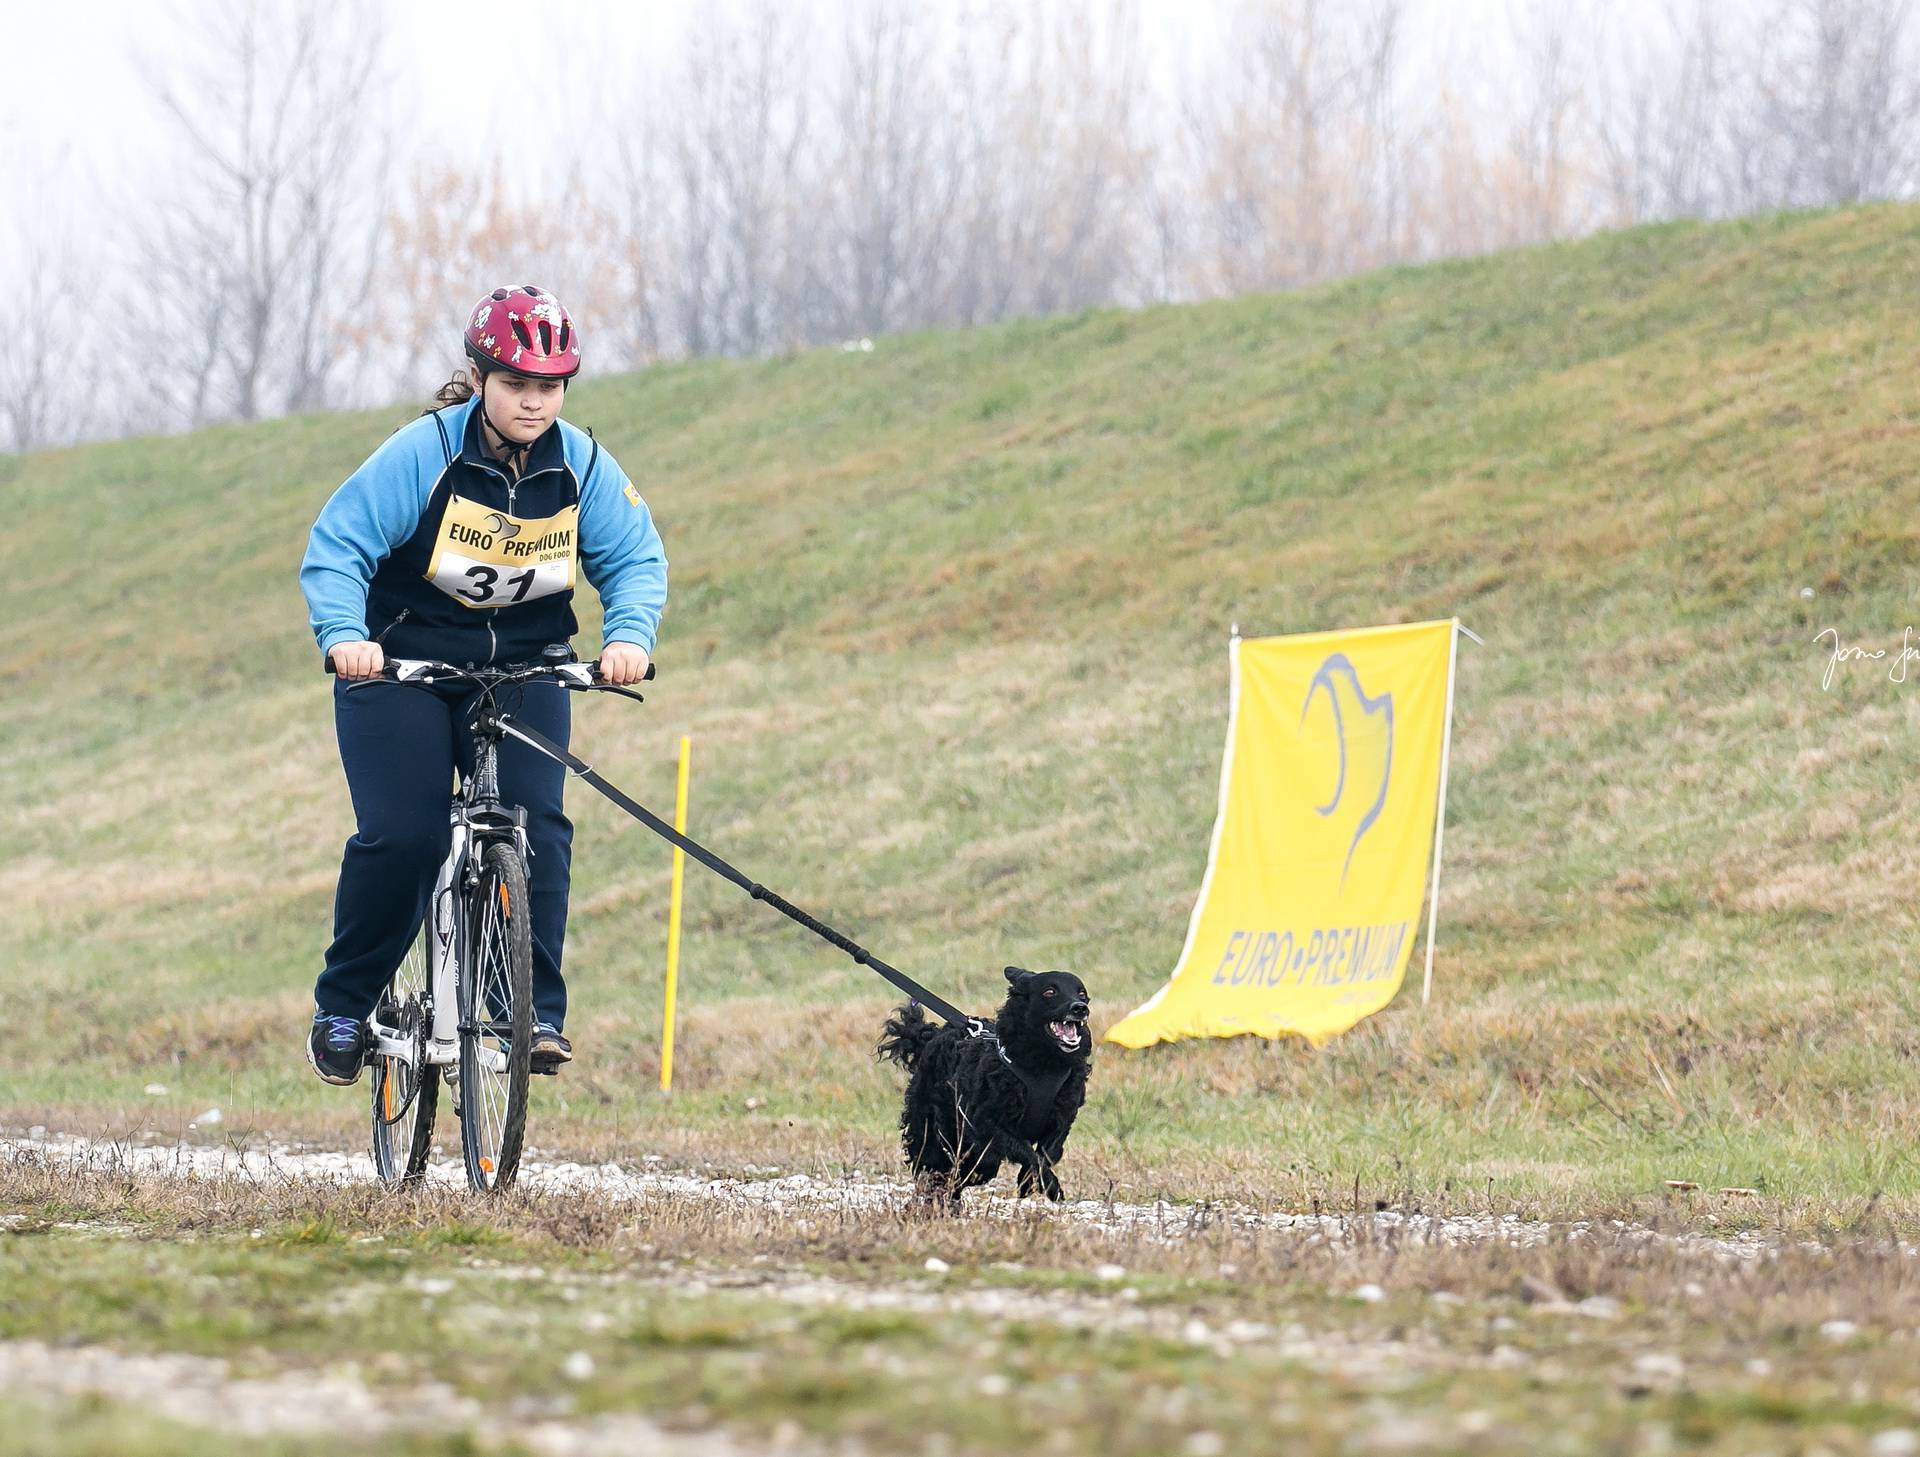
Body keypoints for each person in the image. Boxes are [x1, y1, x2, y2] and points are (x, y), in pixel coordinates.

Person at [298, 284, 666, 1084]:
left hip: (524, 668)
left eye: (549, 387)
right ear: (481, 377)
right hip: (403, 668)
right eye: (516, 385)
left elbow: (635, 558)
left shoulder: (583, 465)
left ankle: (528, 1014)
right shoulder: (422, 454)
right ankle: (345, 1003)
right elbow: (337, 547)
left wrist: (629, 638)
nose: (534, 403)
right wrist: (347, 637)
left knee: (537, 826)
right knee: (408, 835)